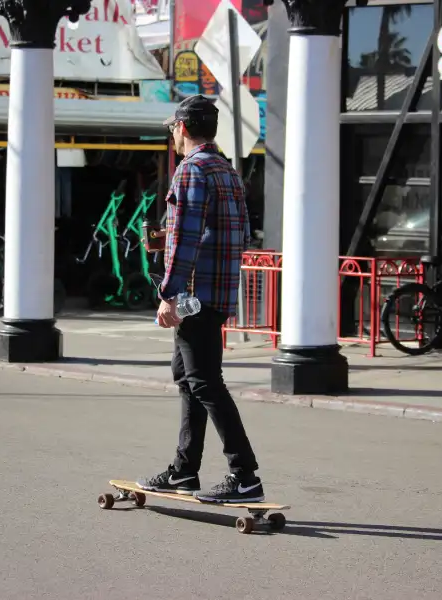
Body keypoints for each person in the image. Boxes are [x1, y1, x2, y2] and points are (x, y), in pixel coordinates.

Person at [136, 95, 264, 503]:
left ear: (184, 128)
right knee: (189, 378)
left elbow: (188, 239)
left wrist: (168, 294)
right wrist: (166, 239)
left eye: (173, 128)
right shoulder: (227, 170)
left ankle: (245, 476)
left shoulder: (190, 171)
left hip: (194, 295)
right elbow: (236, 234)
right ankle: (184, 470)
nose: (172, 135)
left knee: (206, 382)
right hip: (220, 291)